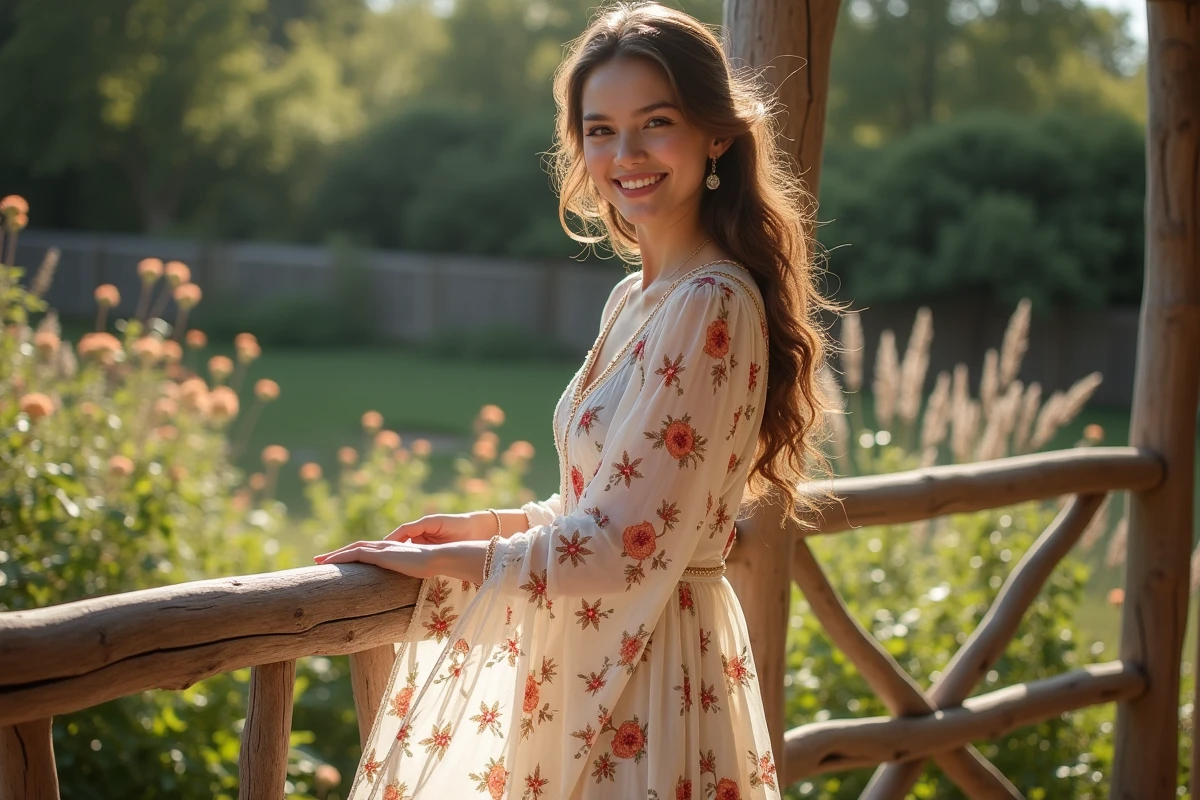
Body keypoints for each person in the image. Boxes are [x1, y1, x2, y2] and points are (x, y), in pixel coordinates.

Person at [313, 2, 831, 797]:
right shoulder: (638, 298)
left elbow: (625, 544)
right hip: (600, 656)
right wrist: (489, 524)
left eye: (655, 123)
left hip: (651, 678)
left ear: (715, 132)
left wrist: (450, 561)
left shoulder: (711, 304)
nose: (625, 154)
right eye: (600, 130)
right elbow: (607, 500)